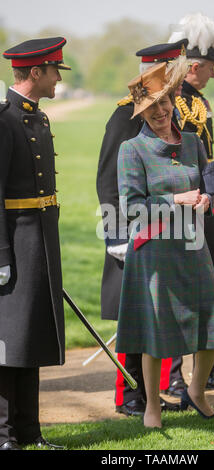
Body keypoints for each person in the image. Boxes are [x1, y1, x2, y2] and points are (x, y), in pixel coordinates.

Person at [116, 60, 214, 428]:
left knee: (212, 326)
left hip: (193, 247)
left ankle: (196, 392)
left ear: (172, 101)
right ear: (141, 112)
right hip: (153, 254)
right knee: (155, 334)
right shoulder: (131, 150)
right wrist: (176, 201)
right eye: (151, 108)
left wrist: (206, 202)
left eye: (164, 103)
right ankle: (152, 406)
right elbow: (132, 208)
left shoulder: (194, 143)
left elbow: (210, 189)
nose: (161, 112)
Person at [96, 40, 188, 417]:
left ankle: (152, 394)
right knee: (131, 314)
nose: (179, 84)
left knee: (158, 312)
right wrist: (116, 233)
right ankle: (128, 395)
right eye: (173, 75)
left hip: (165, 228)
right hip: (133, 229)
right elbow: (107, 179)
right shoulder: (125, 117)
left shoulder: (169, 110)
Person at [0, 37, 70, 450]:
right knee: (9, 340)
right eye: (55, 70)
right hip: (15, 241)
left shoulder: (38, 118)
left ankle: (31, 432)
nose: (59, 77)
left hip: (41, 239)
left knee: (33, 335)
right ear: (36, 72)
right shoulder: (5, 120)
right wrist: (1, 255)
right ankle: (6, 435)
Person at [168, 12, 214, 390]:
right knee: (181, 291)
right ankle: (176, 376)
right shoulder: (171, 100)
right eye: (210, 66)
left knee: (207, 290)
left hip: (205, 204)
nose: (213, 73)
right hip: (181, 207)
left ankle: (207, 370)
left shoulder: (199, 100)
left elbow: (208, 154)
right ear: (193, 66)